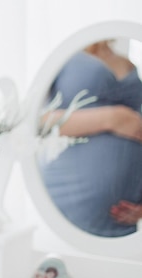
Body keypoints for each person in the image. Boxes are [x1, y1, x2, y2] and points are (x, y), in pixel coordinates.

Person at [40, 39, 142, 237]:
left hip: (126, 225)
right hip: (67, 203)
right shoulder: (65, 48)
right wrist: (112, 118)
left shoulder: (125, 61)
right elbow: (36, 123)